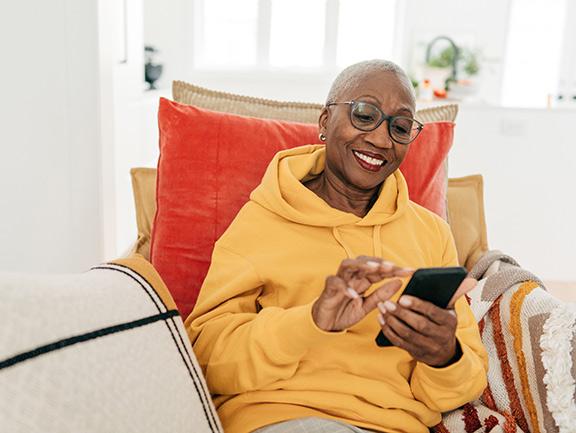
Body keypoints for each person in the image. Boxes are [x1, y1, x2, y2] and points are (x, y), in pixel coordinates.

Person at [186, 59, 488, 433]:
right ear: (326, 122)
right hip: (281, 417)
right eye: (364, 114)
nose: (381, 139)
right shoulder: (261, 219)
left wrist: (444, 356)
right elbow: (205, 361)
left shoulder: (431, 232)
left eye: (400, 126)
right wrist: (310, 321)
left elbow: (460, 387)